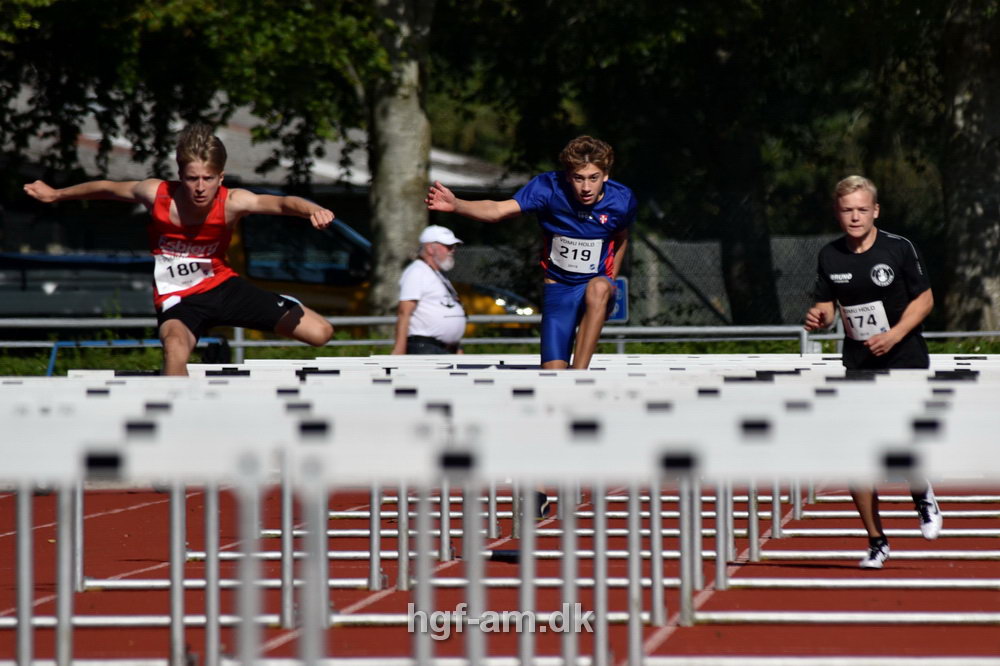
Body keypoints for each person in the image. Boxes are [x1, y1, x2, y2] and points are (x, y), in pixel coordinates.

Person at [24, 123, 334, 376]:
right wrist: (57, 194)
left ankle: (287, 303)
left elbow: (280, 203)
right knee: (174, 349)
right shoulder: (156, 194)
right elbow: (106, 187)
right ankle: (178, 424)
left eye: (208, 179)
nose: (200, 187)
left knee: (320, 333)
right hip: (178, 298)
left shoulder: (232, 201)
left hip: (223, 287)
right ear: (179, 176)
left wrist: (311, 211)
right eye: (192, 178)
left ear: (220, 177)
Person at [804, 174, 943, 569]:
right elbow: (827, 305)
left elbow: (926, 298)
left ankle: (921, 493)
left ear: (875, 211)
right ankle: (876, 539)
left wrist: (895, 334)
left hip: (905, 356)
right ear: (837, 212)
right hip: (860, 363)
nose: (855, 217)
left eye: (862, 209)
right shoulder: (830, 256)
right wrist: (818, 316)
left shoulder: (899, 248)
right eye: (847, 210)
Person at [426, 135, 636, 370]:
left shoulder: (622, 200)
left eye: (593, 178)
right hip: (559, 289)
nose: (586, 188)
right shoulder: (547, 188)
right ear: (568, 176)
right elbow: (498, 209)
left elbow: (621, 238)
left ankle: (580, 374)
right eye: (578, 178)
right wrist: (458, 205)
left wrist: (611, 281)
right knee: (553, 373)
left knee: (597, 288)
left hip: (596, 287)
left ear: (605, 175)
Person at [391, 225, 467, 354]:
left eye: (453, 246)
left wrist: (456, 347)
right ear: (430, 248)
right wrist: (399, 350)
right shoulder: (417, 271)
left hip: (443, 349)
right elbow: (404, 312)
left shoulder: (438, 274)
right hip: (425, 348)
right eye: (448, 246)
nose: (452, 250)